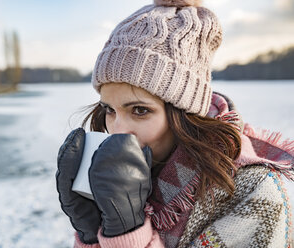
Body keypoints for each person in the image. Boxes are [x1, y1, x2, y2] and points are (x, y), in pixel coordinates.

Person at [56, 0, 294, 247]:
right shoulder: (129, 176)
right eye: (109, 110)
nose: (117, 130)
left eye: (140, 110)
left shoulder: (254, 194)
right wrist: (92, 234)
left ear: (185, 113)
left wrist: (128, 233)